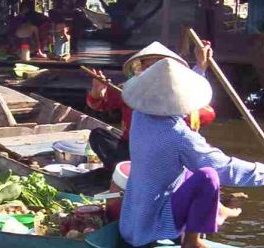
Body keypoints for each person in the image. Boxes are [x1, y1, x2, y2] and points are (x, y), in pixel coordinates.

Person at [120, 58, 264, 248]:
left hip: (133, 215)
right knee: (207, 177)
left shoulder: (139, 114)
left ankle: (218, 211)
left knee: (186, 169)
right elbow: (221, 167)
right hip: (152, 219)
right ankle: (191, 244)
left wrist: (199, 69)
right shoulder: (178, 135)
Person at [86, 41, 214, 171]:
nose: (153, 72)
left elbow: (206, 114)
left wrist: (200, 66)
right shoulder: (131, 89)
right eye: (148, 67)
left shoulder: (178, 94)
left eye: (158, 67)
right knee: (99, 135)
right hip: (133, 149)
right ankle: (122, 172)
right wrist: (97, 92)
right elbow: (98, 104)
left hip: (163, 153)